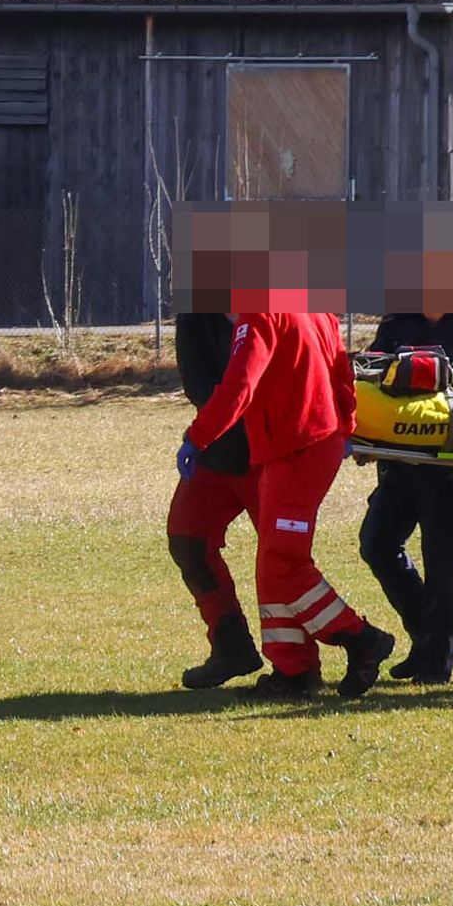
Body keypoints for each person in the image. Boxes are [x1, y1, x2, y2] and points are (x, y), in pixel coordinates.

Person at [182, 292, 394, 699]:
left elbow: (240, 383)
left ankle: (361, 638)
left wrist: (198, 437)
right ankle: (293, 670)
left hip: (297, 447)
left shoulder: (259, 312)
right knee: (272, 561)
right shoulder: (311, 305)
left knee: (284, 563)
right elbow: (340, 369)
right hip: (308, 443)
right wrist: (346, 423)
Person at [354, 308, 453, 685]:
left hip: (448, 470)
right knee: (377, 545)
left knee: (440, 562)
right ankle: (424, 637)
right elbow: (375, 381)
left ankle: (439, 658)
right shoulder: (398, 325)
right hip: (399, 464)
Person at [165, 308, 259, 688]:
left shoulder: (273, 306)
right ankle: (231, 645)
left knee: (283, 558)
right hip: (218, 446)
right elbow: (198, 384)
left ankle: (300, 665)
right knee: (188, 539)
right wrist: (209, 433)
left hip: (271, 447)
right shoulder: (195, 315)